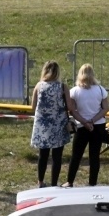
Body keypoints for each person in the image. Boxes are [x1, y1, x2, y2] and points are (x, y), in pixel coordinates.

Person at [63, 64, 109, 188]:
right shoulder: (100, 89)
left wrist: (84, 122)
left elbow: (72, 110)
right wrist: (93, 121)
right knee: (94, 156)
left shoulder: (74, 91)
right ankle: (92, 183)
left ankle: (70, 181)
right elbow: (105, 108)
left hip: (81, 126)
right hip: (98, 126)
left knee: (76, 155)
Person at [31, 60, 71, 188]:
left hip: (42, 125)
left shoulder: (39, 85)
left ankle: (40, 181)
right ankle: (54, 183)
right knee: (57, 156)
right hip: (58, 124)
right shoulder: (62, 86)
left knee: (43, 155)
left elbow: (33, 106)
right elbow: (69, 106)